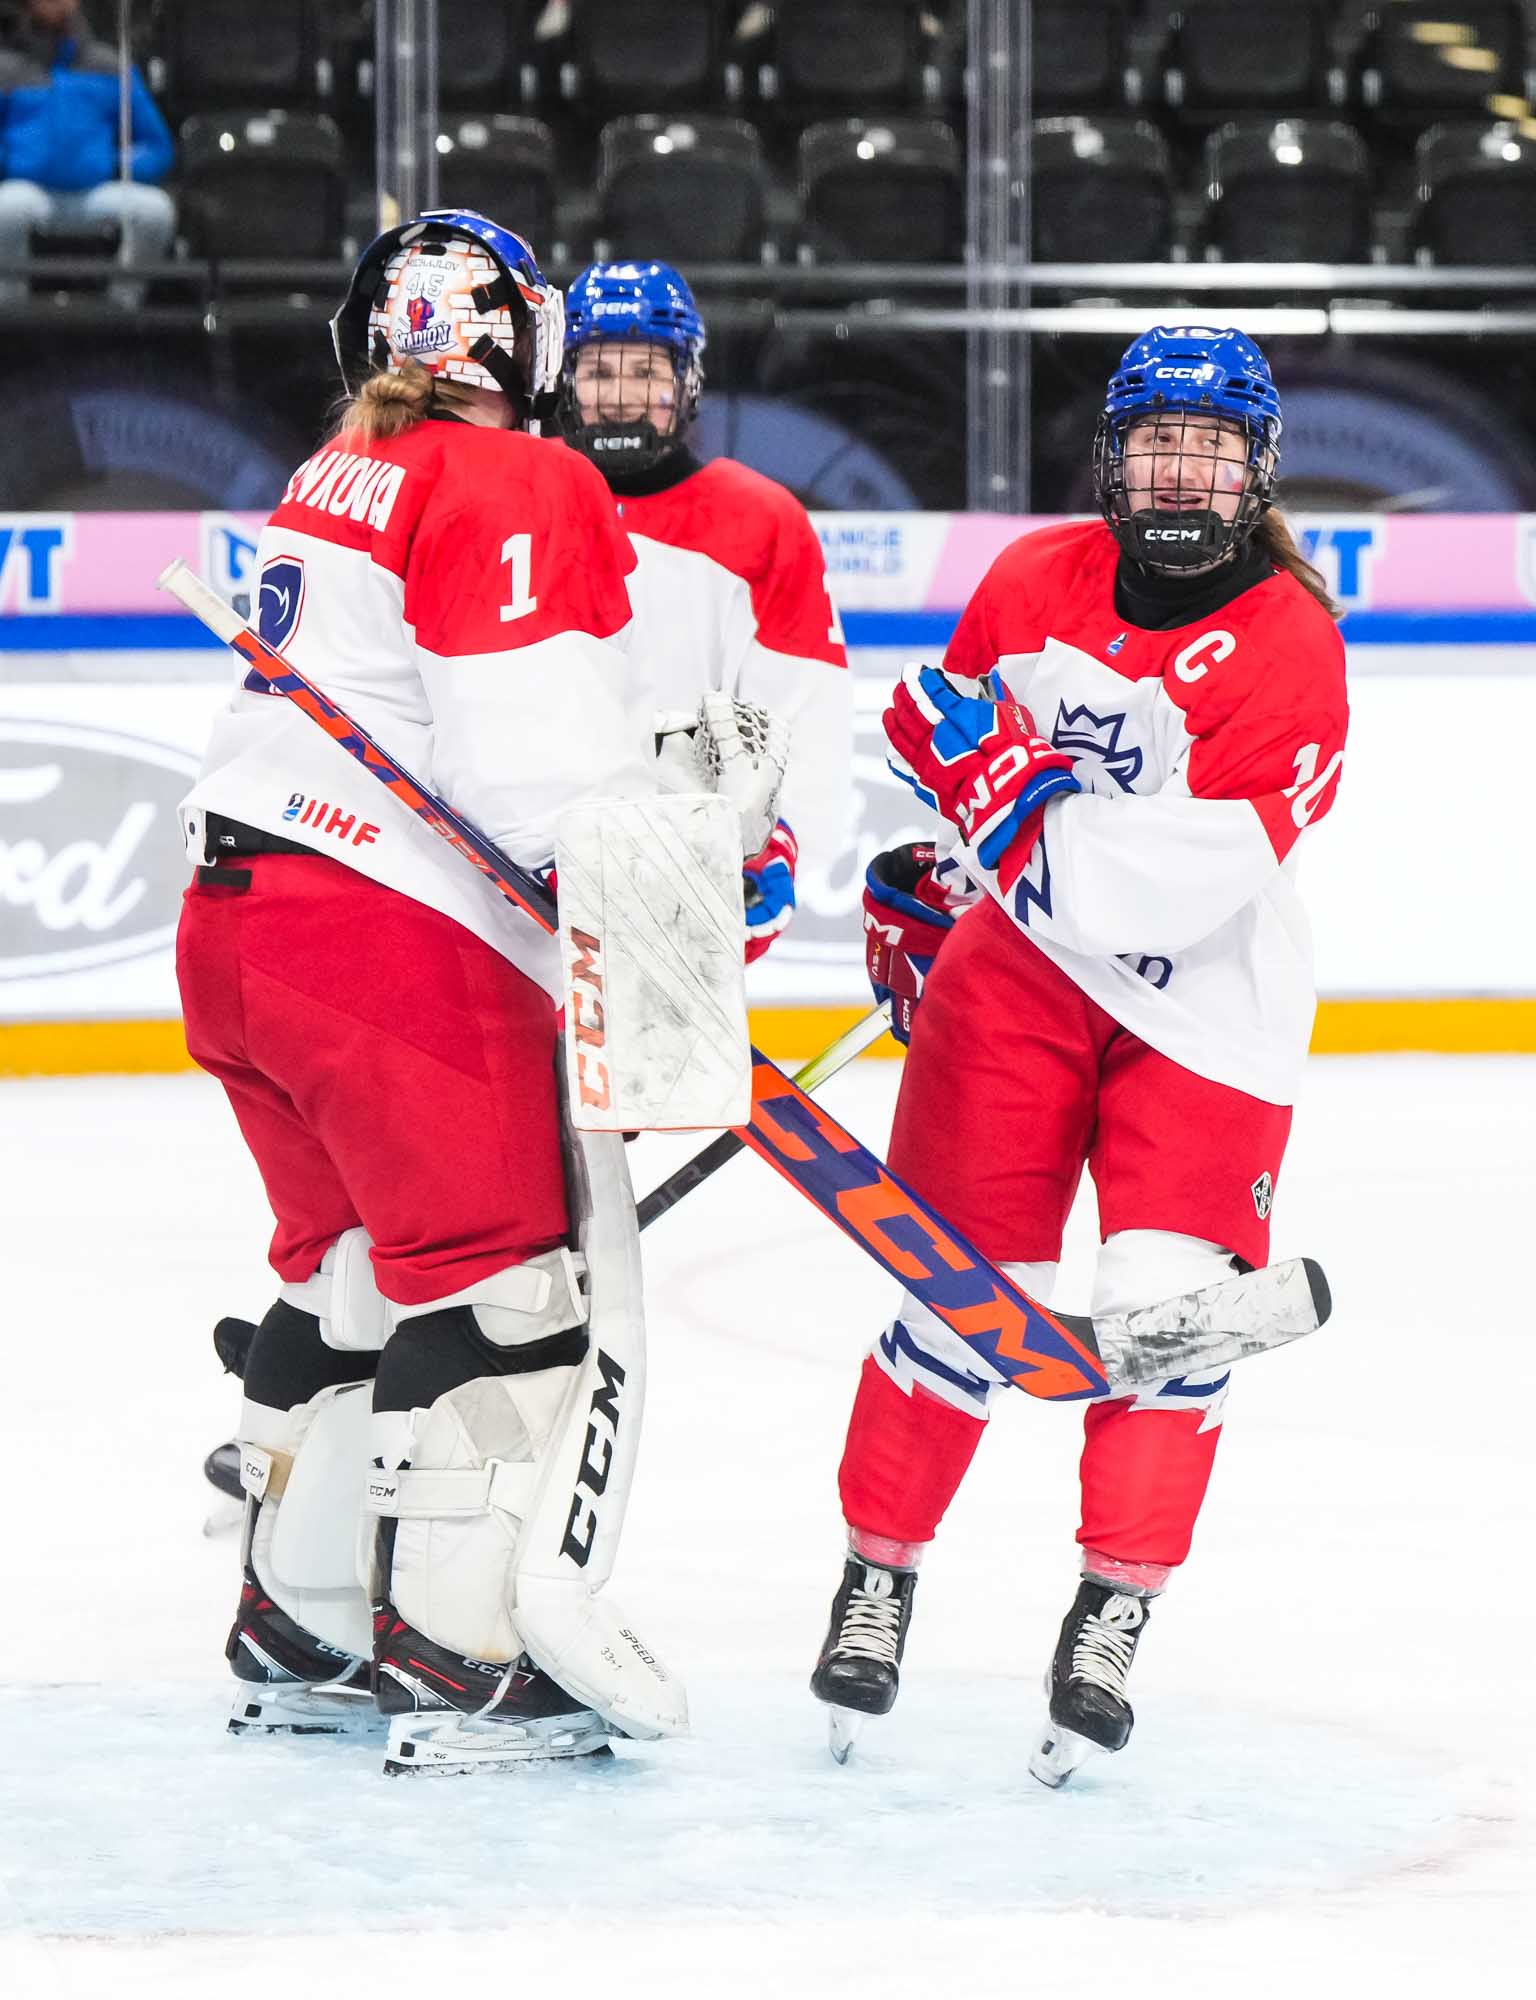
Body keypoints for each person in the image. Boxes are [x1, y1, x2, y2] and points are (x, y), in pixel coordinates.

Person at [810, 326, 1349, 1786]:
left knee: (1168, 1317)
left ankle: (1112, 1611)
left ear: (1255, 471)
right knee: (953, 1294)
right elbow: (956, 755)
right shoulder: (1031, 579)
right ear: (1114, 457)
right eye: (1157, 442)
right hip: (1017, 985)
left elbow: (1157, 894)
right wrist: (938, 874)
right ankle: (877, 1573)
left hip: (1202, 1012)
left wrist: (1007, 807)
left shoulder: (1291, 645)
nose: (1181, 471)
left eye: (1210, 447)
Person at [177, 208, 671, 1774]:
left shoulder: (338, 466)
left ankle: (305, 1620)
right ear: (527, 346)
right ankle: (463, 1662)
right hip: (385, 945)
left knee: (352, 1278)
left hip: (235, 931)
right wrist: (657, 888)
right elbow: (536, 775)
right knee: (501, 1293)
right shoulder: (521, 477)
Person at [559, 259, 850, 961]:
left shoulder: (760, 520)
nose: (621, 397)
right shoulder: (523, 502)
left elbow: (804, 711)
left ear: (686, 381)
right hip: (530, 870)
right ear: (565, 382)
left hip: (685, 877)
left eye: (645, 372)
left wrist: (774, 846)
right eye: (599, 373)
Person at [0, 0, 174, 310]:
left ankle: (122, 308)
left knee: (155, 211)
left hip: (96, 193)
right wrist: (11, 161)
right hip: (28, 192)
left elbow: (158, 146)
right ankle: (10, 311)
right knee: (5, 209)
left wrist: (114, 165)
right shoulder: (6, 67)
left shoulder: (109, 65)